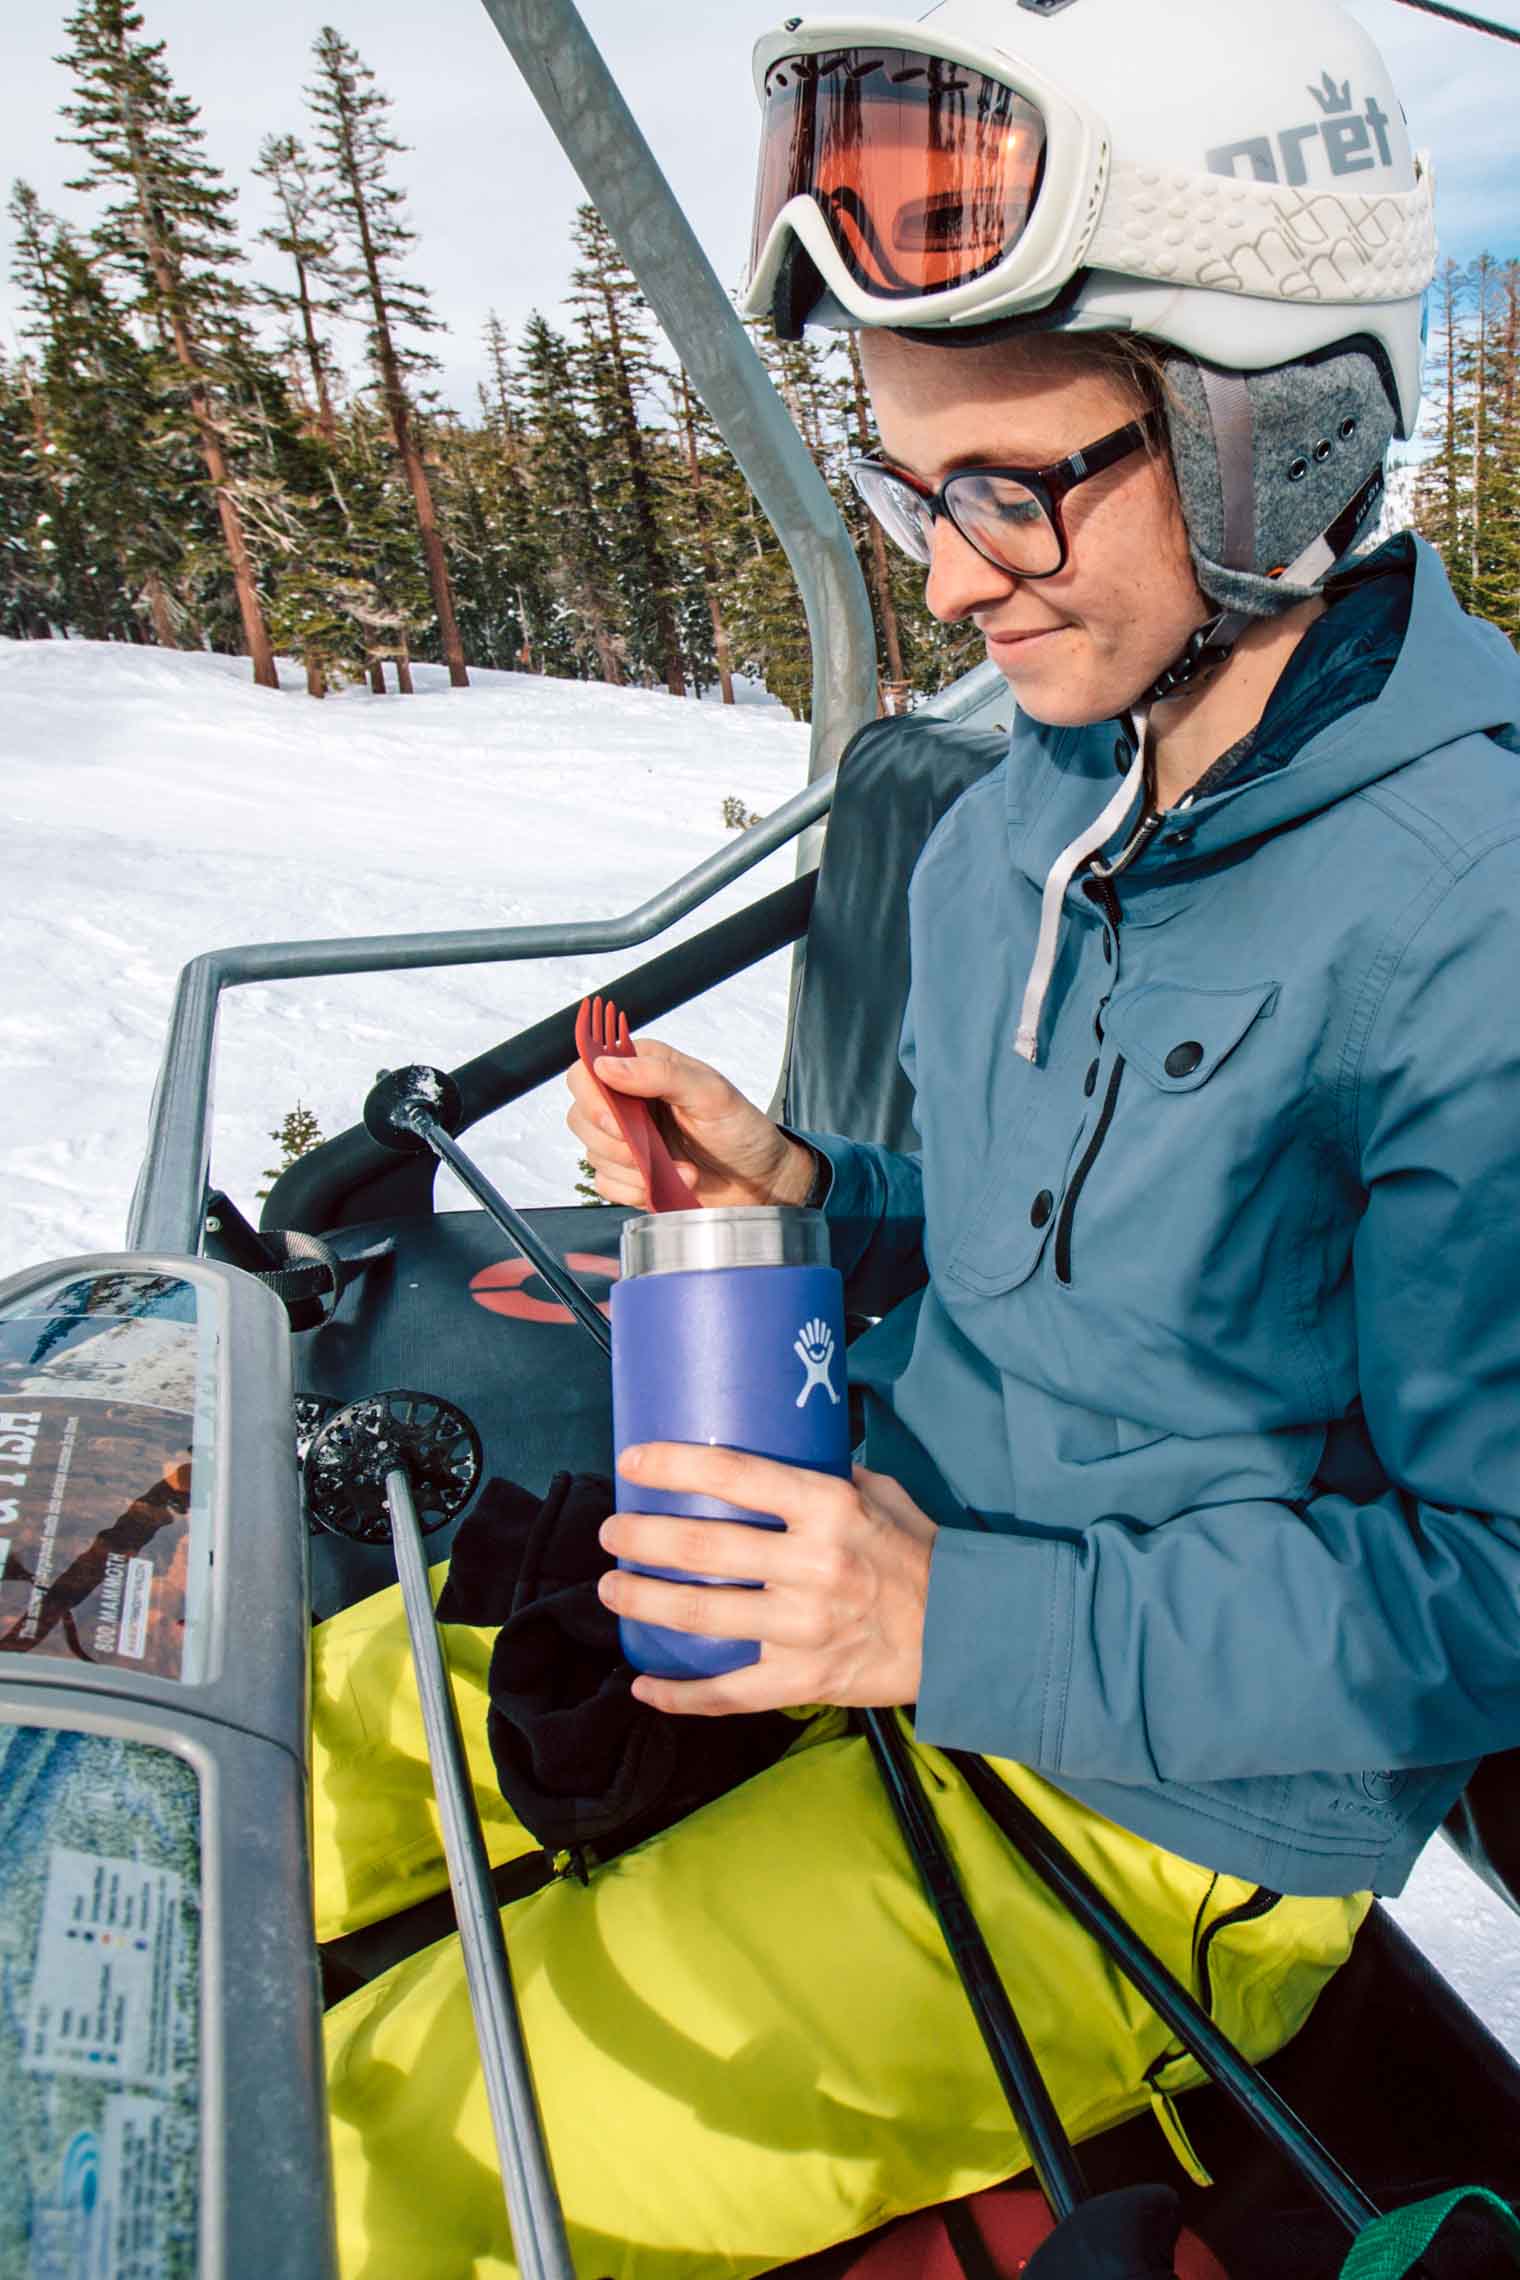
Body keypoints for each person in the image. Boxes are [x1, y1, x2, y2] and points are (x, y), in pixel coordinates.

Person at [316, 1, 1520, 2271]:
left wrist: (940, 1617)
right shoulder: (1033, 799)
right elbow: (1022, 1239)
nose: (948, 581)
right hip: (847, 1556)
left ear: (1272, 434)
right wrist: (808, 1194)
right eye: (899, 486)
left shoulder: (1472, 923)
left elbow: (1486, 1598)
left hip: (1156, 1822)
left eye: (1008, 488)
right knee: (277, 1780)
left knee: (386, 2165)